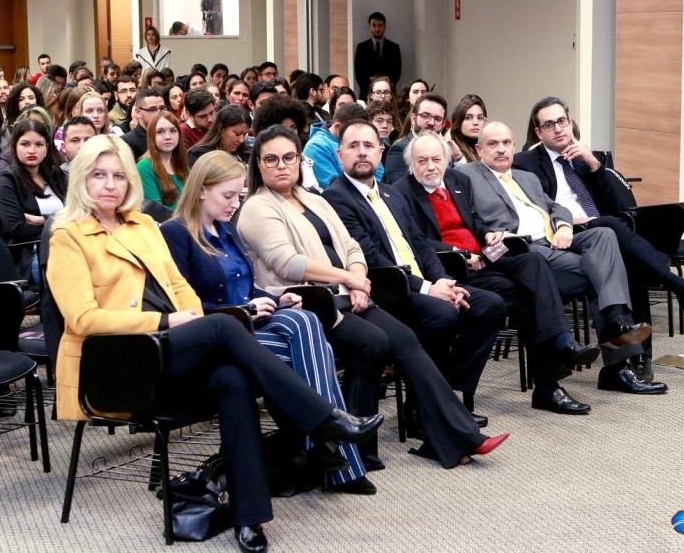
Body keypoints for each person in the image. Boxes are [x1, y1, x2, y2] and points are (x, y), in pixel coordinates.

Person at [46, 134, 383, 553]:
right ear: (82, 179)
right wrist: (169, 320)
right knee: (224, 328)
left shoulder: (143, 226)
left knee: (233, 379)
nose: (110, 185)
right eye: (99, 175)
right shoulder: (68, 237)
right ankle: (323, 419)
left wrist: (187, 317)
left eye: (118, 176)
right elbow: (83, 319)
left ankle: (249, 517)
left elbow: (179, 288)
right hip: (118, 365)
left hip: (168, 351)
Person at [237, 125, 509, 470]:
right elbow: (287, 262)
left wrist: (358, 280)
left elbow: (351, 247)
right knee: (374, 344)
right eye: (271, 159)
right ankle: (361, 450)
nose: (281, 166)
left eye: (289, 157)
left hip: (346, 294)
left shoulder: (312, 199)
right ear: (258, 164)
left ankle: (453, 437)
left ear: (298, 160)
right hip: (306, 304)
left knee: (404, 339)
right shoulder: (258, 207)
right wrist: (349, 278)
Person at [161, 150, 375, 493]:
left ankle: (324, 442)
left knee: (303, 319)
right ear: (201, 190)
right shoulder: (176, 234)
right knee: (309, 345)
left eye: (239, 195)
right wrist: (245, 309)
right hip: (216, 333)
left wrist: (276, 299)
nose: (235, 204)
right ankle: (335, 452)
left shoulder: (226, 230)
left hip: (249, 324)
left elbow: (248, 287)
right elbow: (182, 305)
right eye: (228, 195)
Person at [513, 96, 684, 380]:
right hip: (566, 234)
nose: (558, 128)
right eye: (549, 124)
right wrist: (569, 221)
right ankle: (681, 288)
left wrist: (594, 165)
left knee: (630, 262)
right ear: (538, 132)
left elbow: (622, 206)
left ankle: (640, 358)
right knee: (612, 227)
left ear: (570, 122)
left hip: (605, 232)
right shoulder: (525, 163)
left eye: (562, 121)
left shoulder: (586, 159)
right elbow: (534, 209)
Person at [394, 131, 602, 413]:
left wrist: (488, 234)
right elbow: (415, 241)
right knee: (528, 298)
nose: (430, 166)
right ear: (411, 164)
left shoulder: (457, 181)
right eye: (422, 161)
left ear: (446, 160)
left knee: (532, 261)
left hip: (485, 254)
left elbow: (474, 221)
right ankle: (548, 383)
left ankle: (561, 345)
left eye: (436, 159)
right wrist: (457, 252)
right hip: (451, 266)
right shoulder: (402, 192)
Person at [456, 121, 669, 395]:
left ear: (514, 146)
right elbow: (467, 217)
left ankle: (617, 323)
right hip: (521, 251)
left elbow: (555, 206)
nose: (501, 149)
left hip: (553, 244)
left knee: (604, 235)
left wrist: (564, 226)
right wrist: (486, 235)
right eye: (493, 144)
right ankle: (617, 363)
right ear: (479, 149)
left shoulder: (526, 177)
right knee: (604, 273)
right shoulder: (466, 176)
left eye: (506, 143)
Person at [323, 120, 510, 417]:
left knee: (490, 305)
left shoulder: (389, 193)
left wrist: (443, 280)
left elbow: (421, 245)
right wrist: (427, 288)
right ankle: (430, 407)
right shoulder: (336, 197)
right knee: (443, 314)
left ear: (380, 152)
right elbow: (370, 258)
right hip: (387, 289)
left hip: (420, 283)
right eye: (353, 146)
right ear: (339, 154)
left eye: (369, 145)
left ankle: (441, 394)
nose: (362, 152)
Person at [0, 119, 66, 280]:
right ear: (14, 147)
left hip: (65, 245)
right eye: (25, 144)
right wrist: (61, 225)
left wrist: (44, 220)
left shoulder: (56, 175)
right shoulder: (6, 181)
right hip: (31, 256)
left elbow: (77, 214)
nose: (32, 150)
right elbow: (18, 229)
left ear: (47, 148)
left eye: (39, 144)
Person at [385, 92, 465, 184]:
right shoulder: (399, 150)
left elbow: (461, 185)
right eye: (425, 116)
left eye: (437, 119)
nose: (431, 122)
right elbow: (400, 189)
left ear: (443, 124)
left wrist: (458, 158)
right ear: (413, 119)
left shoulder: (446, 150)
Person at [302, 103, 378, 189]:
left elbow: (379, 172)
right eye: (352, 131)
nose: (362, 152)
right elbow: (333, 186)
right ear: (338, 126)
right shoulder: (316, 147)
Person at [137, 111, 189, 209]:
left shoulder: (180, 162)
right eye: (160, 132)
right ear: (152, 136)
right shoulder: (144, 167)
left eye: (173, 131)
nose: (168, 137)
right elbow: (156, 211)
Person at [354, 12, 402, 101]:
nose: (377, 29)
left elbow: (396, 73)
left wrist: (384, 88)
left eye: (380, 25)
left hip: (388, 93)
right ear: (369, 27)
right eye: (374, 25)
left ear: (385, 27)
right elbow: (359, 74)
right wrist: (373, 90)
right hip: (366, 93)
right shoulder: (362, 47)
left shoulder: (394, 47)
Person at [121, 88, 166, 160]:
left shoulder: (169, 136)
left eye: (162, 108)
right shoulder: (127, 142)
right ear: (138, 112)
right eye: (152, 109)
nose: (158, 113)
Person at [449, 94, 487, 163]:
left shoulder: (487, 149)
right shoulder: (451, 151)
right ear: (459, 122)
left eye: (480, 118)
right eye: (468, 118)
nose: (476, 123)